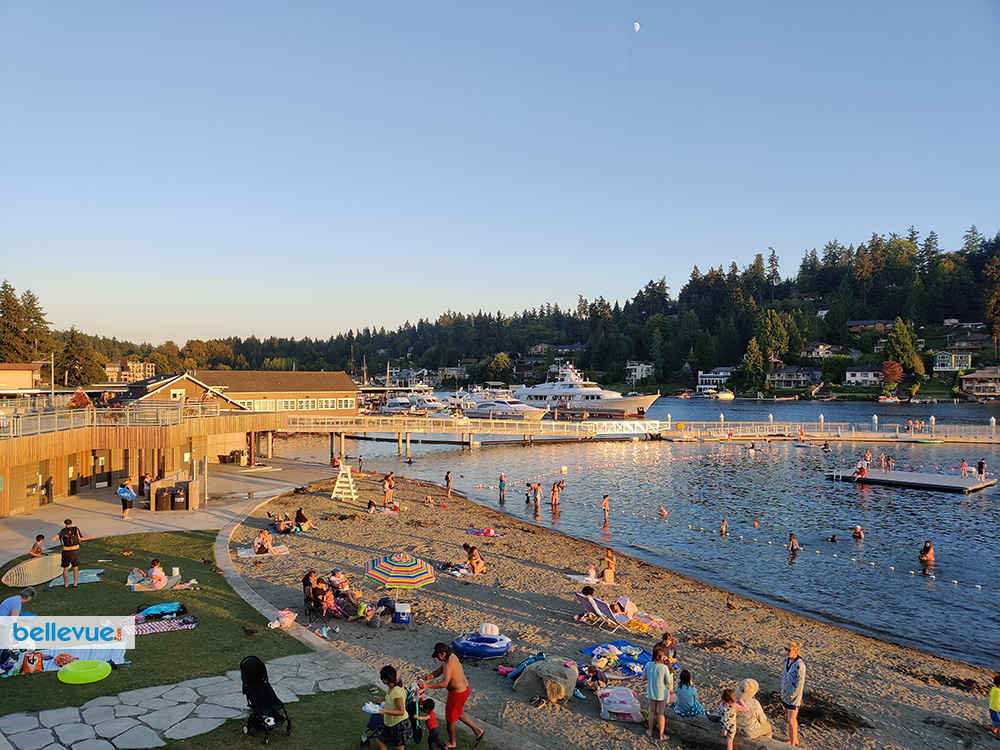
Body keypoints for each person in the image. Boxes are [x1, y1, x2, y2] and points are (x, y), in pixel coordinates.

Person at [418, 643, 485, 749]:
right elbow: (438, 671)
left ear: (443, 653)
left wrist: (427, 685)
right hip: (464, 690)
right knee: (458, 712)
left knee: (450, 719)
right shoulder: (451, 657)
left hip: (457, 694)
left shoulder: (449, 664)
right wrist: (425, 677)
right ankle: (478, 731)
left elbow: (444, 684)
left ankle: (452, 742)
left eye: (438, 655)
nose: (437, 657)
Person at [375, 665, 412, 750]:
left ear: (387, 679)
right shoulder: (391, 687)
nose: (381, 679)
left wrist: (385, 711)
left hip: (399, 724)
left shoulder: (397, 691)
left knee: (399, 747)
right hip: (390, 723)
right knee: (380, 741)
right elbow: (392, 700)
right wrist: (382, 699)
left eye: (382, 677)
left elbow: (401, 711)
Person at [52, 519, 93, 587]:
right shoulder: (75, 529)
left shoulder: (62, 531)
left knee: (65, 568)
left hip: (65, 551)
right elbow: (80, 539)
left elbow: (53, 539)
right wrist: (89, 537)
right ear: (71, 523)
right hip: (74, 550)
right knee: (75, 567)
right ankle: (75, 583)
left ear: (65, 524)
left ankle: (66, 584)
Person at [643, 644, 671, 742]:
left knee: (652, 711)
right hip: (661, 693)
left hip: (652, 692)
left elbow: (644, 677)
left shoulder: (648, 665)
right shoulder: (664, 668)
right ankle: (661, 734)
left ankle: (650, 731)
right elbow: (669, 682)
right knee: (661, 713)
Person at [782, 641, 806, 746]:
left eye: (789, 650)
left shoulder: (800, 665)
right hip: (785, 693)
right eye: (785, 649)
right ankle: (794, 739)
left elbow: (800, 683)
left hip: (793, 697)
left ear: (795, 651)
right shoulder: (787, 660)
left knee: (791, 720)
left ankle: (792, 743)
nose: (786, 652)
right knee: (790, 719)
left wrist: (792, 695)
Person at [989, 674, 1000, 740]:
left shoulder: (993, 689)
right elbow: (997, 703)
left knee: (996, 722)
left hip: (992, 708)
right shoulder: (999, 692)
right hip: (997, 710)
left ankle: (994, 731)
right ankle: (998, 736)